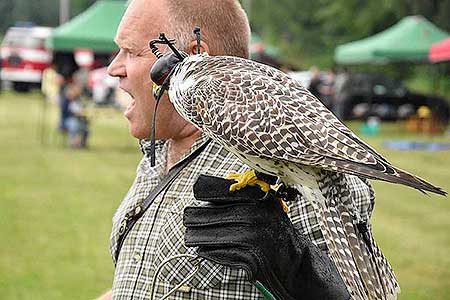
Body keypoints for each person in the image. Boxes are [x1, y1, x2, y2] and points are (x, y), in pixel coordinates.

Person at [98, 0, 399, 299]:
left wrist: (307, 279)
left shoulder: (263, 152)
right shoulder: (157, 153)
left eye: (132, 51)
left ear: (193, 56)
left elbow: (366, 288)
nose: (113, 68)